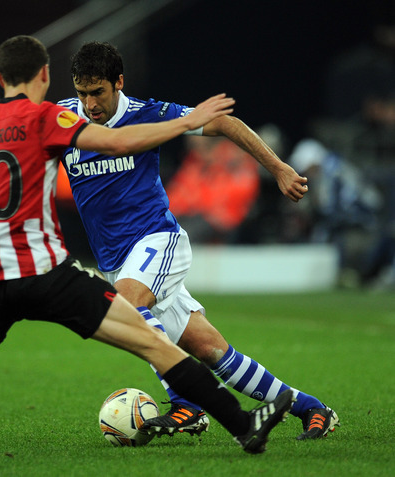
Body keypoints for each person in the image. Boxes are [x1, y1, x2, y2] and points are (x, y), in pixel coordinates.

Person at [0, 35, 294, 462]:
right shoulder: (47, 118)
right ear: (46, 75)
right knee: (150, 340)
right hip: (46, 272)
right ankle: (242, 425)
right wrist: (186, 122)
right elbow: (120, 142)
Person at [57, 41, 338, 441]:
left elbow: (224, 124)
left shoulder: (148, 114)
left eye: (98, 92)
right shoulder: (64, 119)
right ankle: (313, 408)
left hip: (157, 240)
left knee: (127, 305)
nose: (89, 104)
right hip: (117, 259)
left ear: (119, 82)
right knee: (210, 349)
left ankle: (186, 403)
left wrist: (278, 168)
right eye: (82, 93)